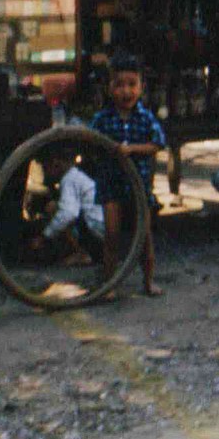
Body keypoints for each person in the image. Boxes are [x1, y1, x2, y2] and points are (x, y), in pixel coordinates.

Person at [90, 52, 166, 297]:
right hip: (111, 184)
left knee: (143, 237)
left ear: (141, 87)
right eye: (119, 84)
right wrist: (107, 150)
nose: (126, 91)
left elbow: (157, 144)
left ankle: (148, 282)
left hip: (138, 186)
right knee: (111, 235)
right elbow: (90, 143)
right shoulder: (102, 119)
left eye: (132, 85)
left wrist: (131, 149)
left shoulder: (145, 118)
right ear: (109, 88)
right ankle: (110, 283)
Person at [28, 145, 106, 265]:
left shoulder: (69, 179)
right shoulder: (76, 176)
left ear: (55, 163)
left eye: (45, 167)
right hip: (99, 228)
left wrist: (44, 237)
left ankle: (81, 253)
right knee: (56, 206)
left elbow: (68, 214)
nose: (45, 172)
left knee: (54, 209)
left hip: (96, 232)